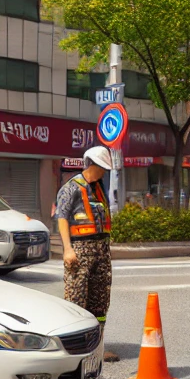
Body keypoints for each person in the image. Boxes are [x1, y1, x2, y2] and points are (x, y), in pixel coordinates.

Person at [55, 146, 120, 363]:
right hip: (79, 252)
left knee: (100, 302)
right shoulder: (71, 188)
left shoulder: (99, 188)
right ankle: (74, 351)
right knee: (76, 301)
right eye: (102, 167)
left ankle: (98, 348)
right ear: (92, 164)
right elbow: (62, 218)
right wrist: (67, 249)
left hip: (101, 252)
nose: (104, 171)